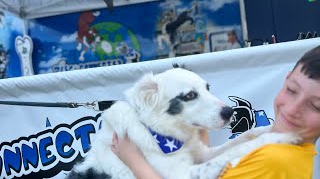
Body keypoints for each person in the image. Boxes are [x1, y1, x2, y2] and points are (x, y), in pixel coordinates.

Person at [111, 46, 320, 179]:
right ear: (286, 78)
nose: (292, 109)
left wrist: (132, 159)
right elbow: (203, 163)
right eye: (291, 90)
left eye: (316, 106)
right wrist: (256, 136)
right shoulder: (287, 153)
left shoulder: (274, 161)